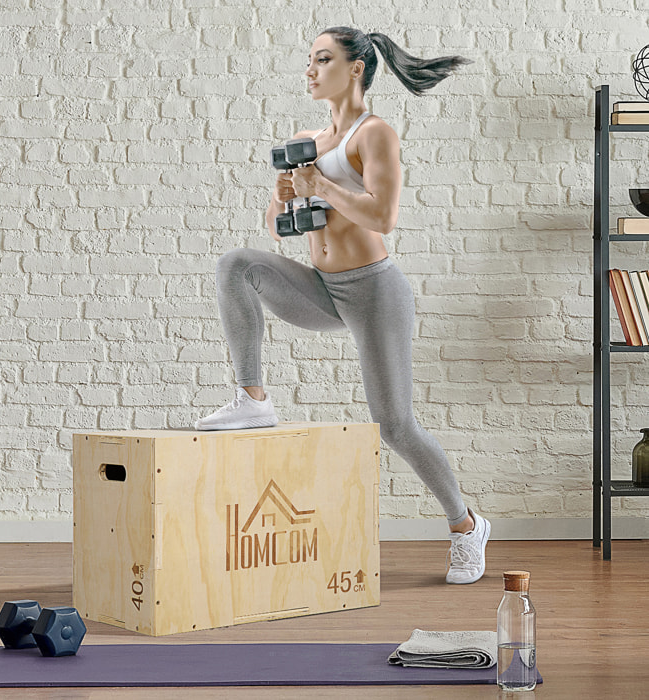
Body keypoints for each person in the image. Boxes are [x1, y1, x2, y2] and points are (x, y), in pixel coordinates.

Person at [195, 27, 490, 585]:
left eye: (323, 59)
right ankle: (252, 397)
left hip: (375, 291)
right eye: (309, 60)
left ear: (355, 69)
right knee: (237, 264)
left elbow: (383, 218)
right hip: (323, 289)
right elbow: (277, 231)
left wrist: (322, 187)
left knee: (395, 425)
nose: (310, 70)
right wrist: (282, 198)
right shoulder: (309, 138)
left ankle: (465, 524)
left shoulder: (373, 133)